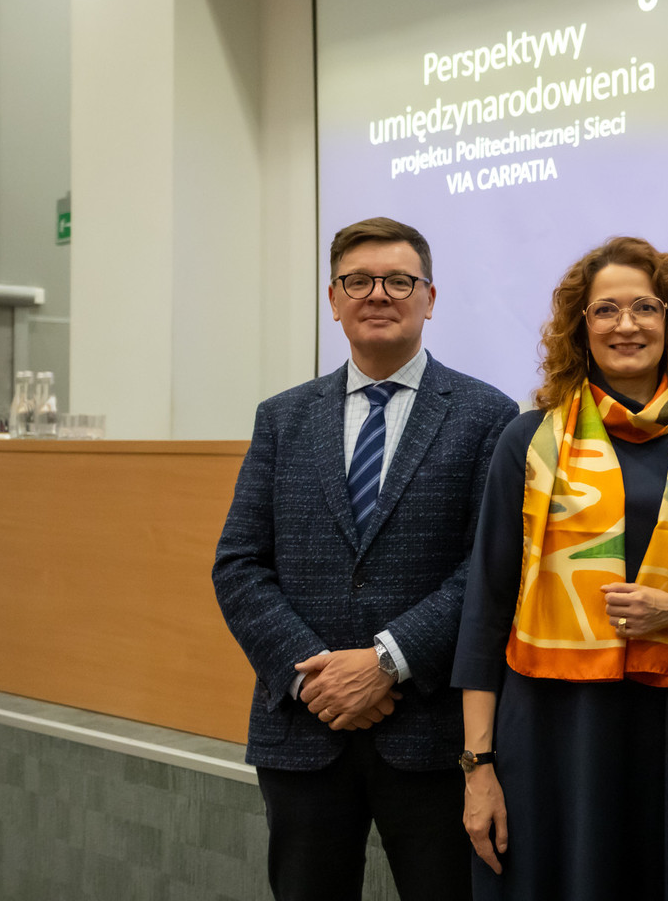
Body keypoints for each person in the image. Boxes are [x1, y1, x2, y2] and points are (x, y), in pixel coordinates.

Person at [213, 217, 518, 901]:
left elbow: (490, 571)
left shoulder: (488, 416)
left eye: (399, 281)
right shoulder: (282, 417)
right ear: (333, 299)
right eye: (357, 281)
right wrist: (315, 679)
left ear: (430, 298)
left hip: (432, 735)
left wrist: (385, 662)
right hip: (305, 726)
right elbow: (239, 564)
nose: (378, 294)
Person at [451, 236, 668, 901]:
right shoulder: (528, 440)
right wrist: (478, 765)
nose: (626, 324)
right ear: (580, 326)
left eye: (645, 307)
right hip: (546, 729)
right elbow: (486, 611)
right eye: (605, 309)